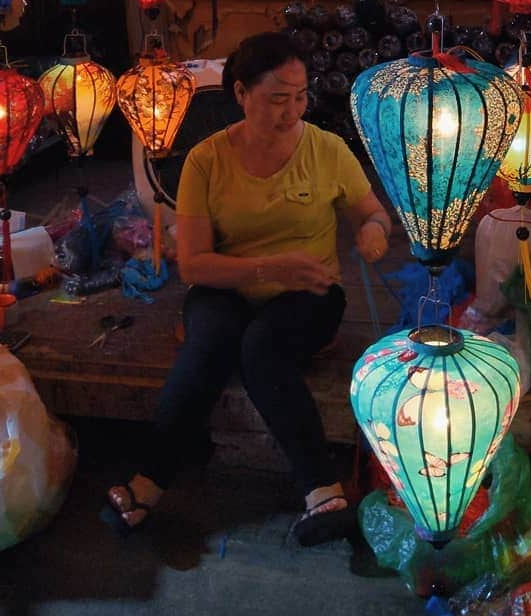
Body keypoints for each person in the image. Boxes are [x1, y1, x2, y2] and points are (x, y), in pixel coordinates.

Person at [103, 32, 391, 545]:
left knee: (262, 347)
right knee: (209, 341)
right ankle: (150, 482)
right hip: (227, 285)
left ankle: (323, 491)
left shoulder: (326, 150)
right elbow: (193, 264)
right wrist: (269, 267)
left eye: (300, 97)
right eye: (277, 99)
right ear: (240, 94)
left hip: (309, 291)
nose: (292, 111)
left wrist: (373, 230)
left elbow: (371, 211)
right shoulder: (207, 159)